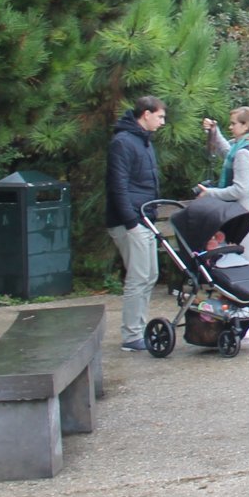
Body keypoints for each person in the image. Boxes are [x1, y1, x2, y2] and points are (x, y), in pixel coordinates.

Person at [198, 106, 249, 320]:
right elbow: (226, 151)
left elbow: (240, 190)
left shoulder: (243, 153)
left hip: (243, 220)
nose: (231, 127)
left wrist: (210, 193)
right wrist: (214, 131)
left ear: (245, 125)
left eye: (233, 124)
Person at [105, 95, 165, 351]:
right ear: (146, 114)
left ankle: (137, 331)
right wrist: (131, 222)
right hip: (129, 221)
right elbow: (117, 185)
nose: (163, 122)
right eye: (160, 116)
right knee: (138, 277)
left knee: (150, 274)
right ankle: (131, 336)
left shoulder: (144, 142)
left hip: (145, 218)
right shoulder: (123, 142)